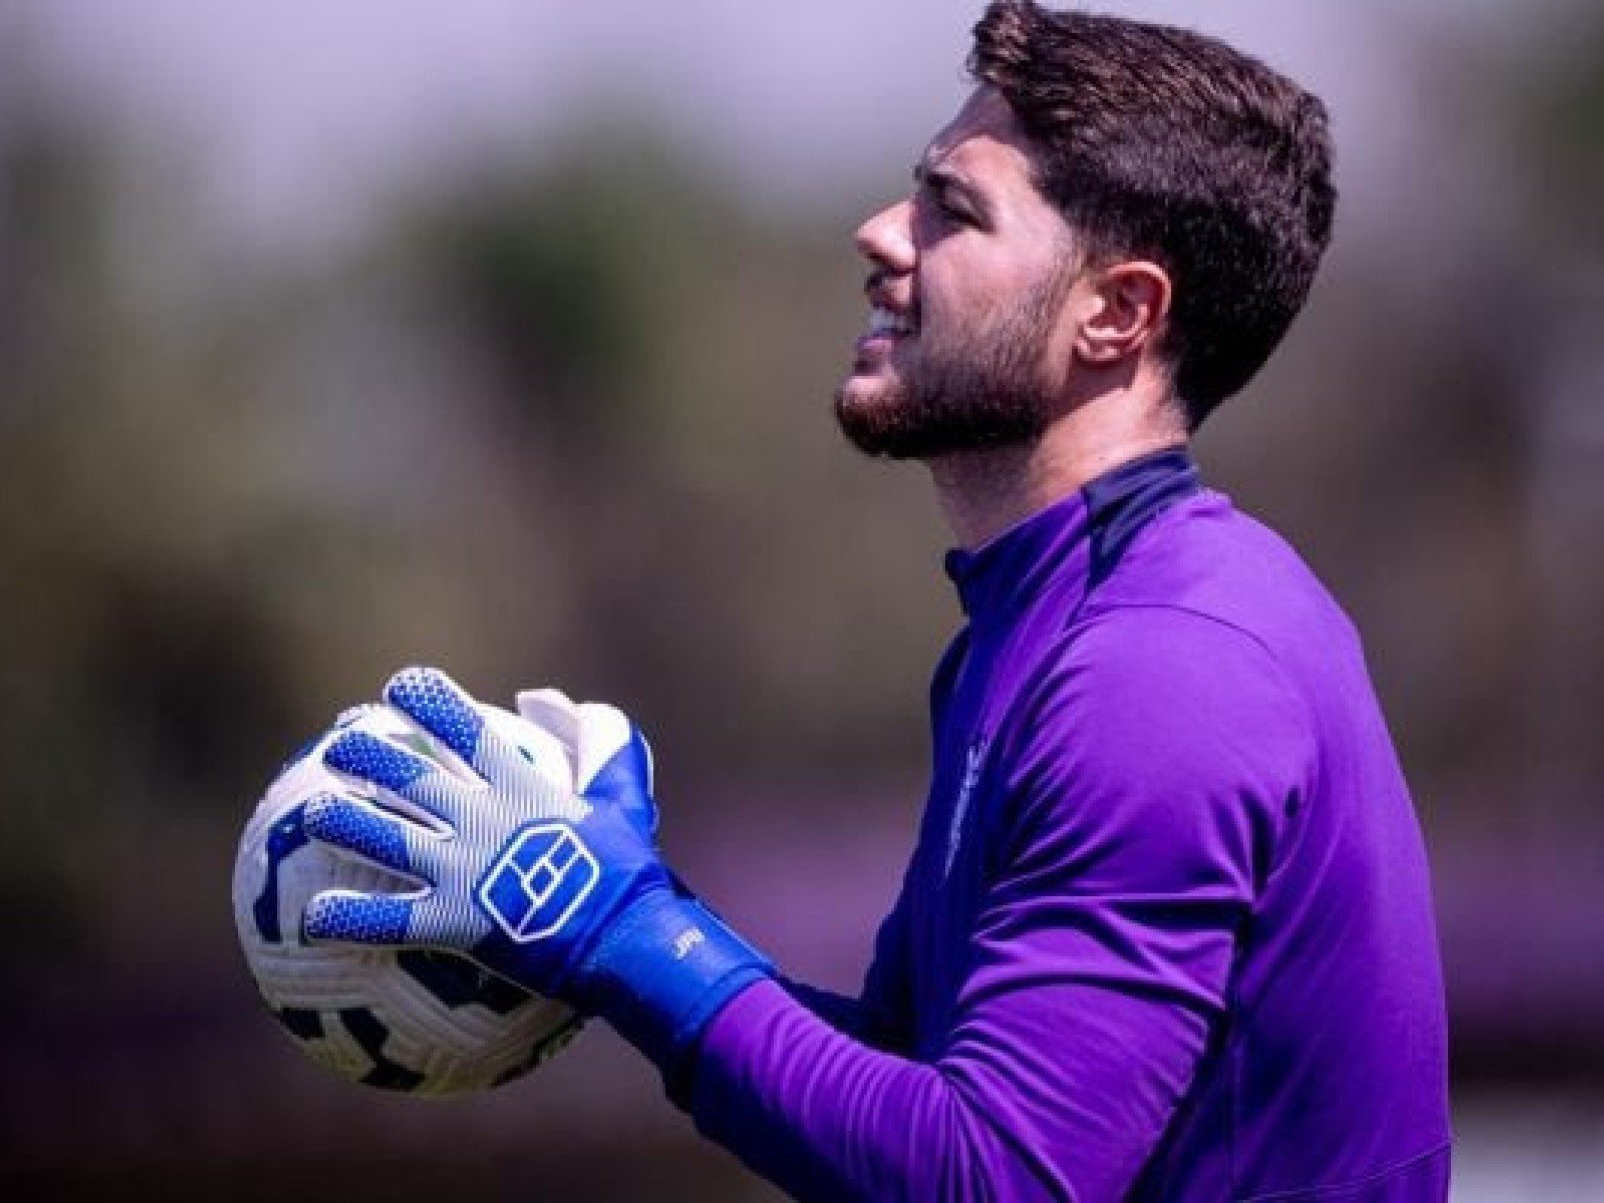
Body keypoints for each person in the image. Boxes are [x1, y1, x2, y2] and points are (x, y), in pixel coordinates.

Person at [297, 2, 1451, 1198]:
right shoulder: (1037, 629)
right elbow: (908, 1082)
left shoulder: (1166, 669)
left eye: (953, 210)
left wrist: (617, 928)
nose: (882, 233)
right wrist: (636, 922)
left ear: (1118, 313)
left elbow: (986, 1177)